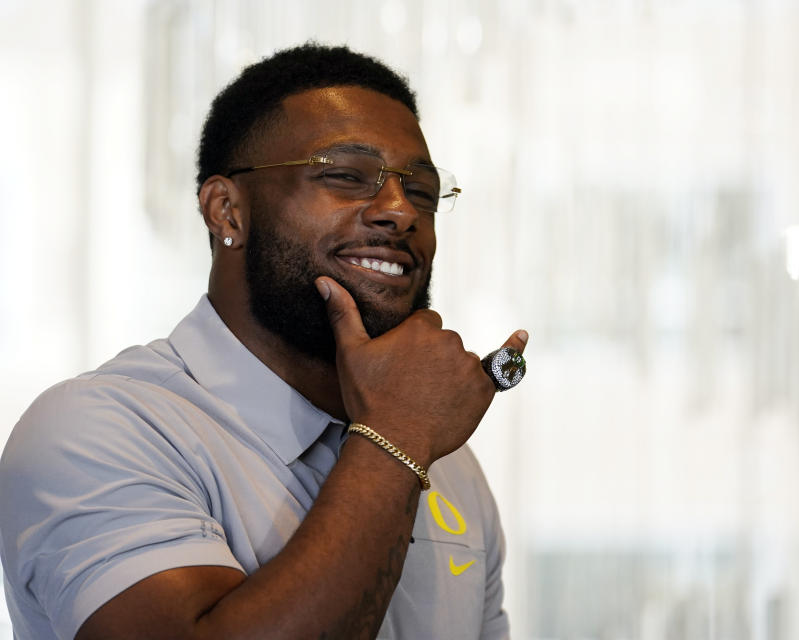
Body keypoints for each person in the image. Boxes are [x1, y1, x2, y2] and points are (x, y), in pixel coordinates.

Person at [0, 43, 526, 639]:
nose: (400, 211)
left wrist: (404, 435)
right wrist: (397, 437)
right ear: (227, 211)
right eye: (347, 177)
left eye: (423, 193)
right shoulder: (96, 430)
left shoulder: (447, 462)